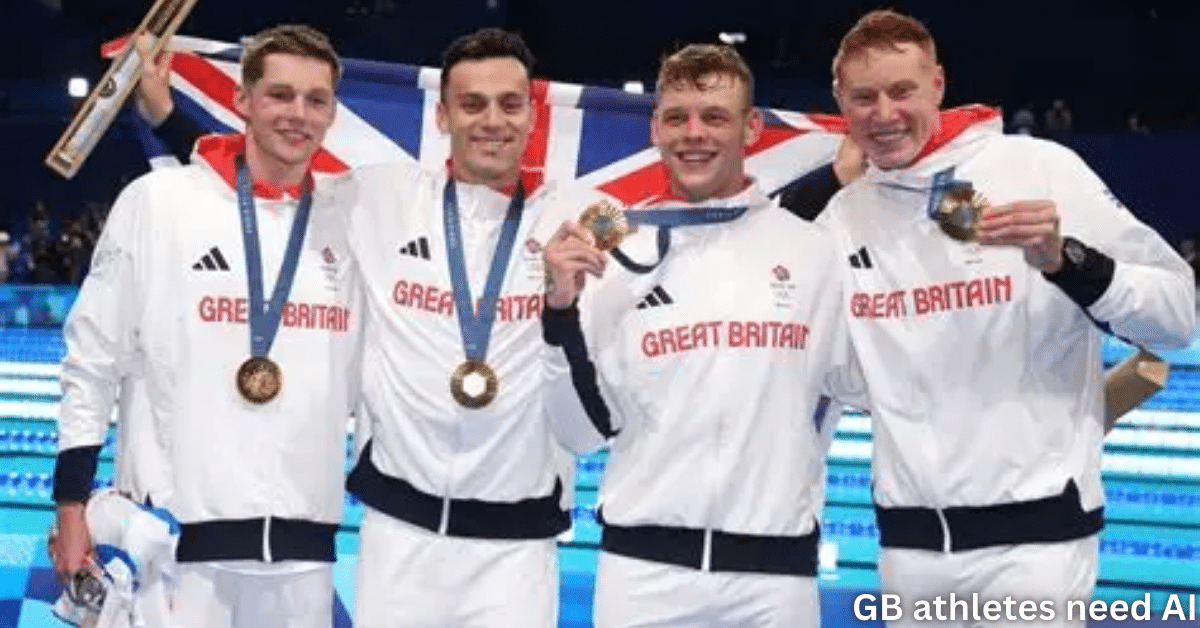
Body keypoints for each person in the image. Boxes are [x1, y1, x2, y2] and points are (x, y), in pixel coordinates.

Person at [817, 10, 1196, 627]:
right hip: (911, 549)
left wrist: (1065, 260)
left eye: (902, 91)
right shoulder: (844, 221)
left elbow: (1177, 317)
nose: (884, 113)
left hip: (1037, 542)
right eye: (864, 97)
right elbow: (851, 379)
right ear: (841, 103)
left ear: (937, 84)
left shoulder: (1038, 169)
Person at [539, 43, 866, 628]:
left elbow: (869, 382)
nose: (695, 134)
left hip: (775, 581)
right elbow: (580, 432)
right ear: (655, 130)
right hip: (642, 578)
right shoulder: (616, 257)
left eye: (714, 117)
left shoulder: (815, 254)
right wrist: (558, 314)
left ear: (752, 128)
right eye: (677, 117)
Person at [52, 24, 364, 628]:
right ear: (242, 102)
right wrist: (71, 509)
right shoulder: (157, 202)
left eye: (316, 99)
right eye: (278, 95)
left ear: (333, 113)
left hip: (302, 556)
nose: (298, 114)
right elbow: (91, 361)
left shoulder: (351, 215)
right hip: (174, 548)